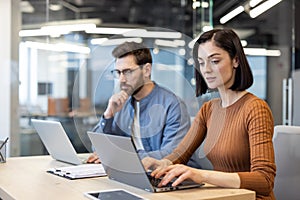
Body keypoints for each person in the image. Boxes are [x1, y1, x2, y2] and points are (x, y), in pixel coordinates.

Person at [142, 29, 276, 200]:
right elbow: (180, 155)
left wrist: (202, 175)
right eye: (201, 63)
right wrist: (159, 163)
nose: (206, 70)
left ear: (235, 60)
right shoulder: (209, 109)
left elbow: (264, 180)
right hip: (222, 196)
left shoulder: (255, 108)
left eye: (214, 61)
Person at [87, 41, 192, 164]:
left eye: (128, 72)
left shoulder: (173, 105)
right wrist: (108, 115)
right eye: (118, 72)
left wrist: (123, 156)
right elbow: (98, 147)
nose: (121, 79)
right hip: (130, 172)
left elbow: (173, 153)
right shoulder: (122, 103)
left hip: (166, 177)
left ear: (147, 70)